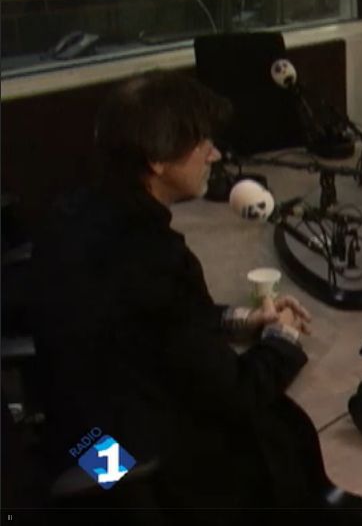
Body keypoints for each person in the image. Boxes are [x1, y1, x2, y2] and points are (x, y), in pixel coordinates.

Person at [31, 71, 322, 517]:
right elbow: (234, 391)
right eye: (200, 142)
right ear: (157, 161)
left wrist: (239, 319)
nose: (214, 153)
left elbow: (147, 326)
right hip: (127, 462)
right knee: (289, 439)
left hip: (73, 435)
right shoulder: (154, 257)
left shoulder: (71, 213)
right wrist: (283, 339)